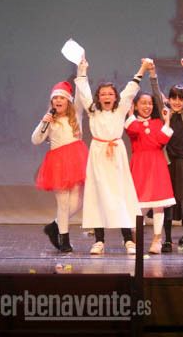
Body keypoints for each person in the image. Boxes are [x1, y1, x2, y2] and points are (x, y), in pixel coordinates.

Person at [75, 56, 144, 255]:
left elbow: (130, 90)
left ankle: (128, 239)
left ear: (115, 97)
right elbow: (84, 92)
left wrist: (142, 69)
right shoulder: (93, 111)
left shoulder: (120, 109)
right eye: (103, 94)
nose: (107, 96)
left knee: (121, 193)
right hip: (98, 154)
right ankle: (99, 240)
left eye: (110, 94)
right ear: (99, 97)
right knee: (97, 195)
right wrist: (82, 71)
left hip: (116, 155)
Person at [150, 58, 183, 253]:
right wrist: (153, 74)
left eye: (181, 99)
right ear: (169, 99)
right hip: (168, 164)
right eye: (173, 98)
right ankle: (166, 240)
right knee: (166, 203)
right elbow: (156, 94)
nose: (177, 102)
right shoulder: (165, 113)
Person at [32, 81, 88, 253]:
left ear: (68, 101)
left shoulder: (76, 114)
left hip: (76, 160)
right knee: (63, 204)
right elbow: (36, 140)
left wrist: (82, 70)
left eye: (62, 98)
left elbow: (80, 94)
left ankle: (54, 225)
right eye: (55, 98)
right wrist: (43, 122)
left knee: (77, 202)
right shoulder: (50, 120)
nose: (58, 100)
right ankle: (64, 239)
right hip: (58, 163)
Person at [125, 90, 177, 254]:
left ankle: (157, 239)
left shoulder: (157, 122)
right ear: (136, 105)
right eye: (143, 103)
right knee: (138, 205)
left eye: (149, 103)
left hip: (157, 164)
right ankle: (136, 238)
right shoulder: (132, 123)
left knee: (158, 205)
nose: (147, 106)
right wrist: (130, 113)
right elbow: (133, 131)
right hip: (140, 165)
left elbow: (162, 140)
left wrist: (167, 121)